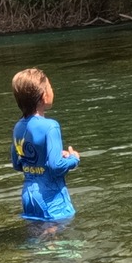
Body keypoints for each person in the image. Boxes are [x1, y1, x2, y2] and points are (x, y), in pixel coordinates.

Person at [10, 67, 80, 223]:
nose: (52, 89)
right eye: (50, 86)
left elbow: (17, 164)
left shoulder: (18, 127)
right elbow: (56, 167)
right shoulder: (50, 126)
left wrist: (44, 158)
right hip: (51, 197)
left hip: (28, 197)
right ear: (43, 96)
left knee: (37, 240)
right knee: (64, 243)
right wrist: (73, 159)